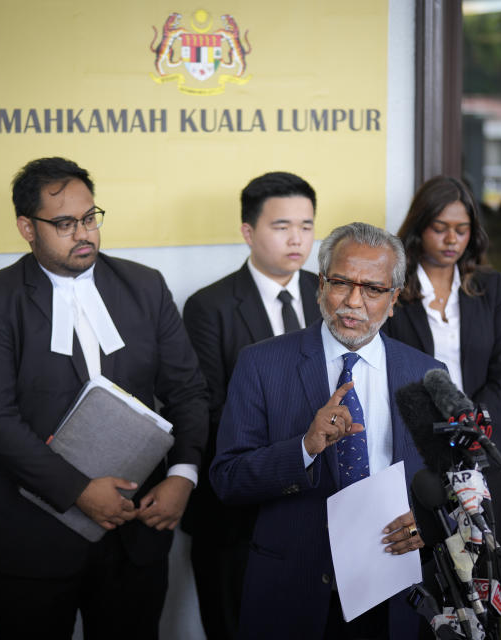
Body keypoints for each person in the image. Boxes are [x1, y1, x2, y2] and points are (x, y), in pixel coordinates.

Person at [0, 157, 207, 640]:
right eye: (65, 223)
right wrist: (78, 492)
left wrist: (183, 476)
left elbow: (188, 391)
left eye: (90, 218)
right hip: (33, 534)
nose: (84, 233)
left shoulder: (144, 285)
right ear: (26, 228)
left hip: (137, 527)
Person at [210, 222, 441, 640]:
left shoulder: (425, 375)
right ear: (320, 285)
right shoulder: (262, 364)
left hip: (390, 587)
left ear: (393, 301)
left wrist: (425, 524)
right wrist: (303, 447)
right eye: (341, 283)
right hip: (294, 585)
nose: (353, 302)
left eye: (372, 289)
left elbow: (446, 487)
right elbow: (227, 480)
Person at [180, 171, 321, 639]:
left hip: (321, 501)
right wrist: (297, 448)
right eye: (282, 226)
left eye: (306, 224)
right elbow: (211, 408)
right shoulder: (210, 306)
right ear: (248, 232)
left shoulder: (331, 294)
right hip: (239, 510)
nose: (297, 238)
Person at [382, 175, 501, 543]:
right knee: (432, 571)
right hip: (419, 452)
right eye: (439, 228)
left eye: (461, 229)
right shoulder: (395, 292)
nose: (451, 240)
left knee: (487, 572)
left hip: (482, 450)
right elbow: (388, 376)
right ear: (418, 229)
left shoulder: (489, 287)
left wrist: (471, 421)